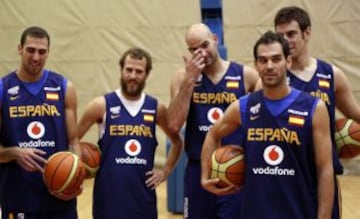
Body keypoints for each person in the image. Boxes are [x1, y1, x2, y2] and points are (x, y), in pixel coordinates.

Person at [201, 30, 335, 219]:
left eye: (276, 59)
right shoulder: (243, 106)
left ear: (288, 62)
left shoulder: (314, 108)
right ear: (256, 65)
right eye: (263, 60)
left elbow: (325, 170)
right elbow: (212, 134)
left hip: (299, 211)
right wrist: (205, 176)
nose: (269, 66)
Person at [272, 6, 360, 218]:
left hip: (322, 177)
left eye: (291, 34)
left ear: (307, 33)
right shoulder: (270, 78)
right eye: (280, 35)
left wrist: (349, 138)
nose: (285, 40)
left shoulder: (331, 75)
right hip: (283, 176)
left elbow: (356, 114)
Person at [77, 47, 183, 219]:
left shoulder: (156, 108)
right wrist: (75, 173)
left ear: (147, 74)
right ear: (121, 70)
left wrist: (165, 171)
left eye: (139, 71)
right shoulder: (100, 106)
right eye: (129, 70)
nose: (133, 76)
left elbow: (177, 142)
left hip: (143, 199)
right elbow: (72, 140)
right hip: (108, 198)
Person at [167, 23, 259, 219]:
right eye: (193, 50)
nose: (200, 53)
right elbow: (174, 125)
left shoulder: (246, 75)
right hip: (197, 166)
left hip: (236, 168)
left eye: (204, 45)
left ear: (216, 40)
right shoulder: (181, 77)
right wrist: (190, 80)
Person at [0, 26, 82, 218]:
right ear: (20, 49)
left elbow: (74, 142)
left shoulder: (64, 87)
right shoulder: (3, 89)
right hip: (18, 195)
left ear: (48, 53)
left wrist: (75, 176)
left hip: (59, 197)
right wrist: (14, 152)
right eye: (30, 50)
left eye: (42, 52)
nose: (36, 57)